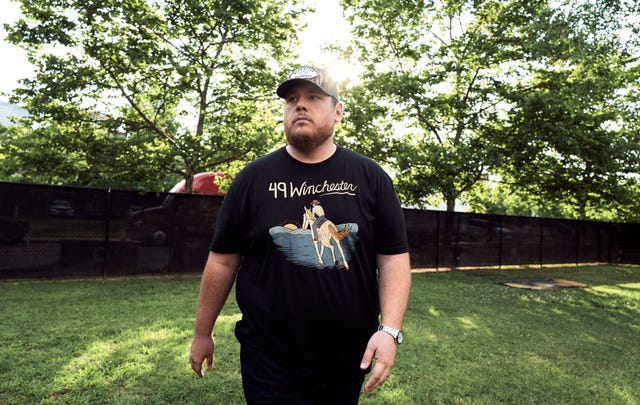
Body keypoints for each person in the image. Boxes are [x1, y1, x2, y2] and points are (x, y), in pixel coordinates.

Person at [189, 65, 411, 404]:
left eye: (313, 97)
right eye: (292, 99)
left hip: (347, 354)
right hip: (269, 355)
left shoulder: (371, 177)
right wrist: (202, 332)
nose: (300, 105)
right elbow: (222, 260)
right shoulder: (252, 179)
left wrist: (390, 330)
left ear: (337, 111)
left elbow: (393, 258)